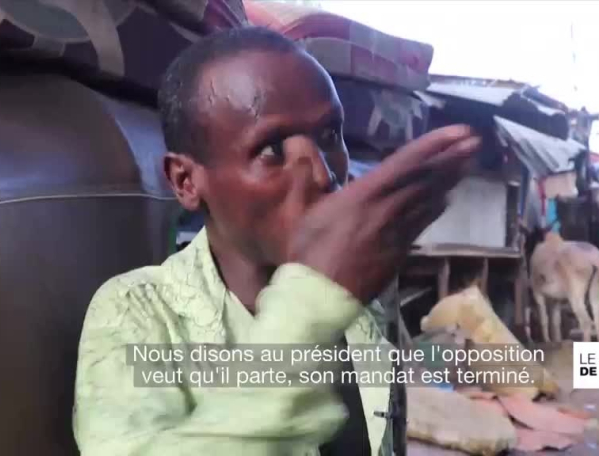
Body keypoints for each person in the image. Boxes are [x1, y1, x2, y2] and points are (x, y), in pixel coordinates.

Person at [72, 27, 480, 456]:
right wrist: (311, 308)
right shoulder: (136, 313)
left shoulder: (366, 293)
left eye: (329, 136)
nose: (322, 175)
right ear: (186, 181)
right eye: (272, 150)